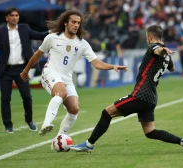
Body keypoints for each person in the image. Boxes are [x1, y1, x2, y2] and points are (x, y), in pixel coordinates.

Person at [70, 25, 183, 153]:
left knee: (107, 112)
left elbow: (157, 50)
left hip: (140, 95)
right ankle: (182, 141)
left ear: (150, 36)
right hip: (151, 98)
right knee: (150, 132)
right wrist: (165, 52)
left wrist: (162, 50)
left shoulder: (152, 47)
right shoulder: (167, 56)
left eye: (147, 37)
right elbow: (172, 68)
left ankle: (88, 144)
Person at [20, 10, 127, 139]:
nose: (76, 25)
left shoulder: (82, 44)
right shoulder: (52, 38)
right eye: (73, 22)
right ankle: (46, 123)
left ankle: (60, 138)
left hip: (67, 78)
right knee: (62, 93)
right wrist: (26, 71)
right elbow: (38, 54)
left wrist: (112, 66)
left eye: (78, 23)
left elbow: (97, 64)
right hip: (50, 73)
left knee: (74, 109)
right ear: (65, 23)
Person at [0, 7, 49, 133]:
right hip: (5, 70)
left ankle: (29, 120)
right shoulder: (0, 31)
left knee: (27, 96)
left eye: (17, 15)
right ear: (7, 17)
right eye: (12, 15)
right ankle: (8, 125)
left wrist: (51, 31)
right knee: (5, 99)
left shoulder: (24, 28)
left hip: (21, 69)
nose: (15, 18)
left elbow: (39, 35)